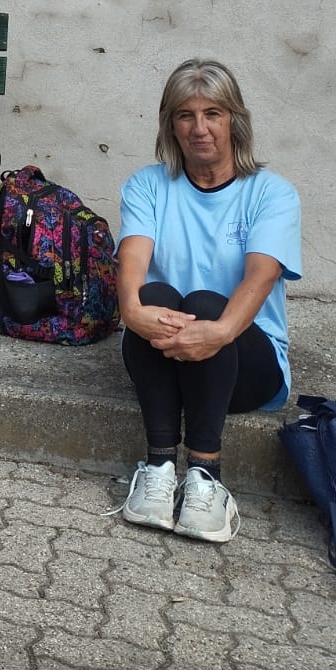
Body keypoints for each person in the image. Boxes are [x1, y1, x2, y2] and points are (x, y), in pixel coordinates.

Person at [112, 58, 301, 543]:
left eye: (213, 113)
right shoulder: (148, 185)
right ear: (170, 125)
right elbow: (132, 259)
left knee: (208, 303)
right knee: (152, 294)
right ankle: (158, 471)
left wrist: (217, 332)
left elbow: (261, 276)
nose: (200, 129)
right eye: (186, 115)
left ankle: (205, 477)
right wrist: (131, 310)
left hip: (244, 366)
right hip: (166, 356)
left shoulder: (272, 193)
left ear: (234, 120)